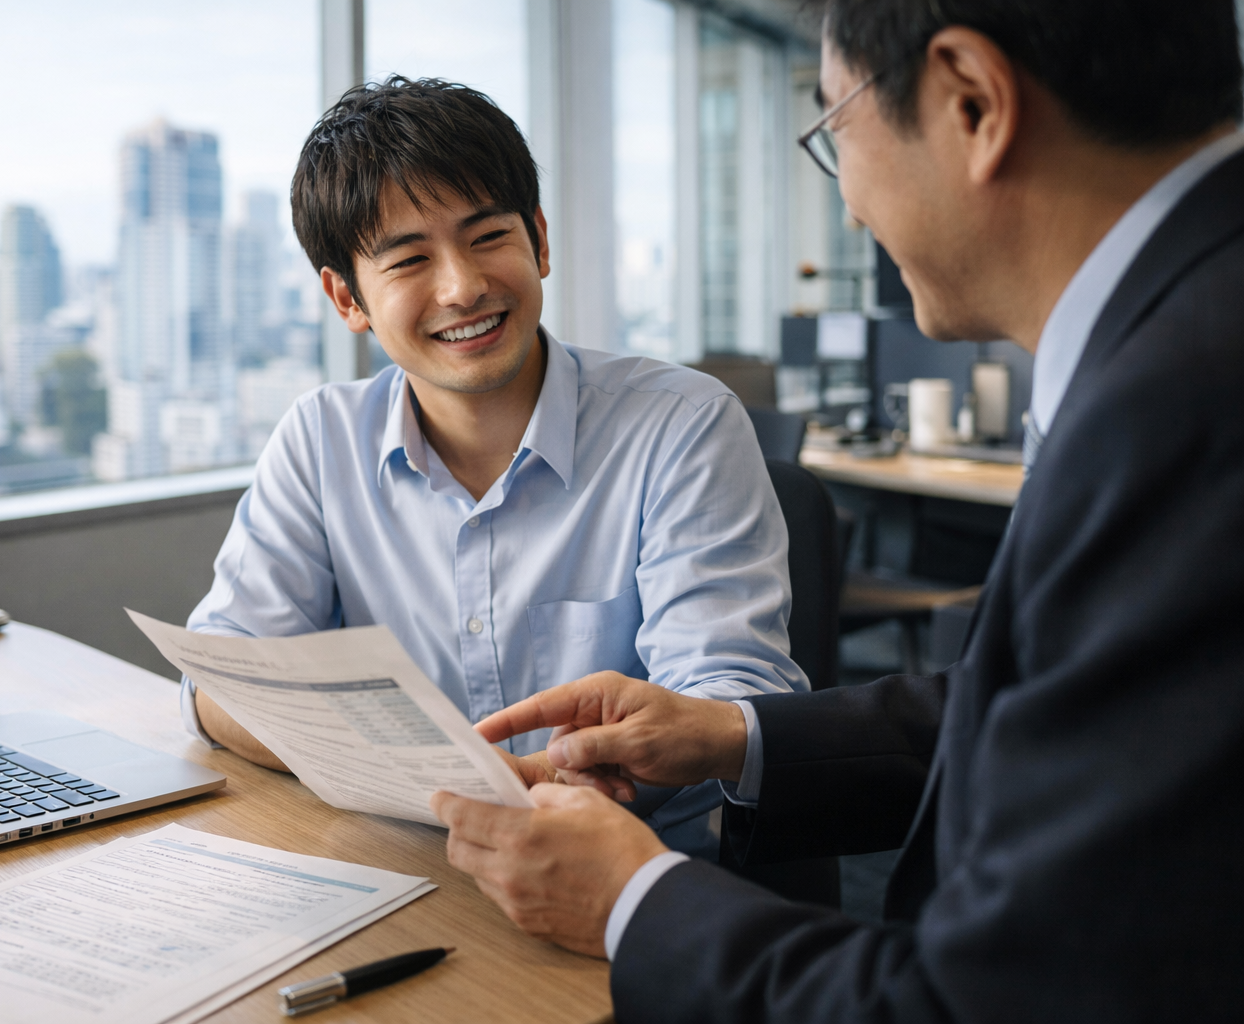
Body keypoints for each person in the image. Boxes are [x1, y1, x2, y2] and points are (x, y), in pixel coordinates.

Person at [432, 1, 1244, 1019]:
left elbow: (1006, 998)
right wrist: (732, 734)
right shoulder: (1180, 339)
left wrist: (629, 899)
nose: (850, 210)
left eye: (834, 132)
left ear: (970, 101)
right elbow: (1055, 713)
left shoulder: (1182, 411)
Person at [180, 77, 807, 852]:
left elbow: (730, 701)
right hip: (410, 869)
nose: (463, 286)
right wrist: (447, 781)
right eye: (409, 260)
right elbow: (221, 681)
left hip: (635, 882)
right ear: (347, 298)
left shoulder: (681, 423)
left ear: (539, 240)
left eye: (487, 238)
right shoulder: (318, 440)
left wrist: (602, 768)